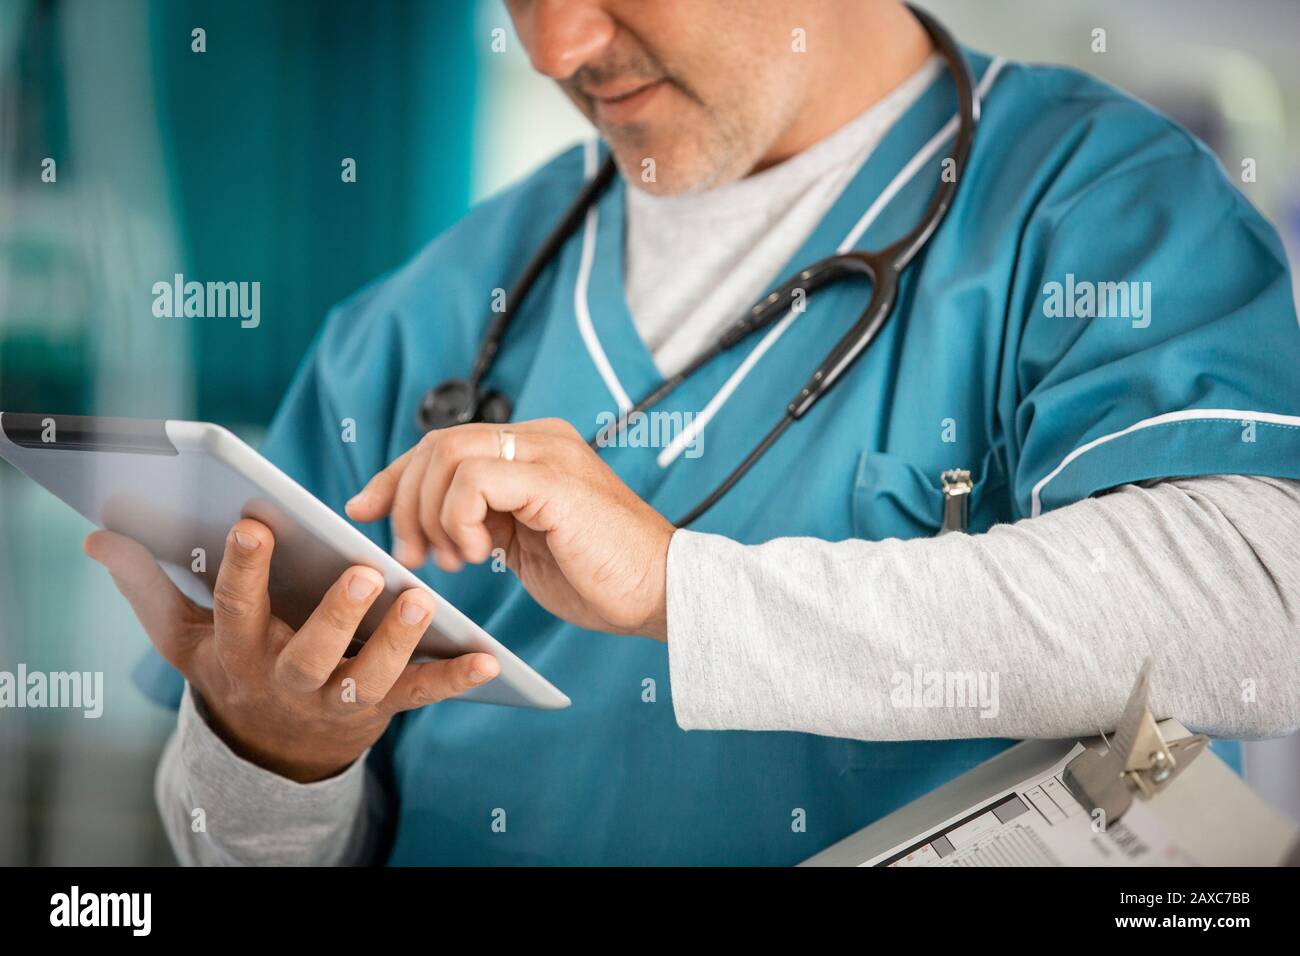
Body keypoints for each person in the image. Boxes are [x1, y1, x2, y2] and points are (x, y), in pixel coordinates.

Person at [88, 0, 1300, 866]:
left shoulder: (1094, 203)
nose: (556, 42)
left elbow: (1264, 605)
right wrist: (270, 755)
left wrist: (686, 587)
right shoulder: (423, 318)